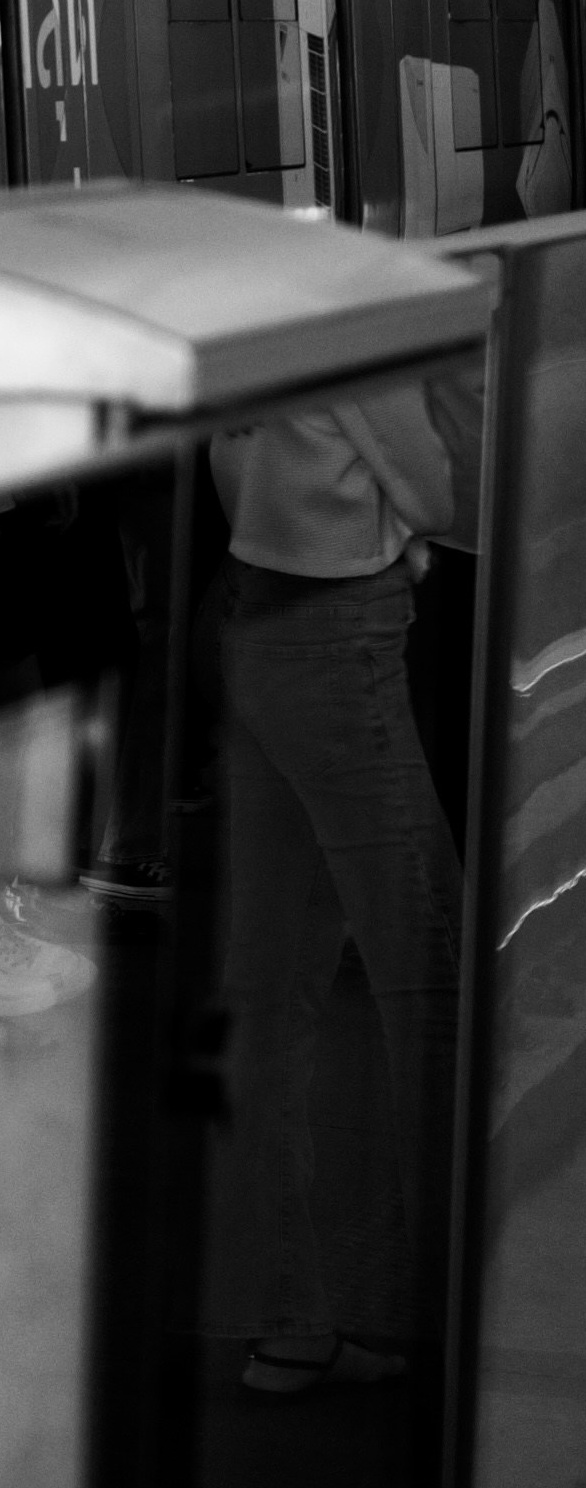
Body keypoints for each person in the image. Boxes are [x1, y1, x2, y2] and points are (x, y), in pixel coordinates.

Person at [211, 382, 461, 1397]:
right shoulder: (359, 340)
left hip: (257, 623)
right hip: (343, 637)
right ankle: (449, 1315)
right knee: (432, 980)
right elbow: (440, 493)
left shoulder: (254, 345)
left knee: (269, 994)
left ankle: (292, 1319)